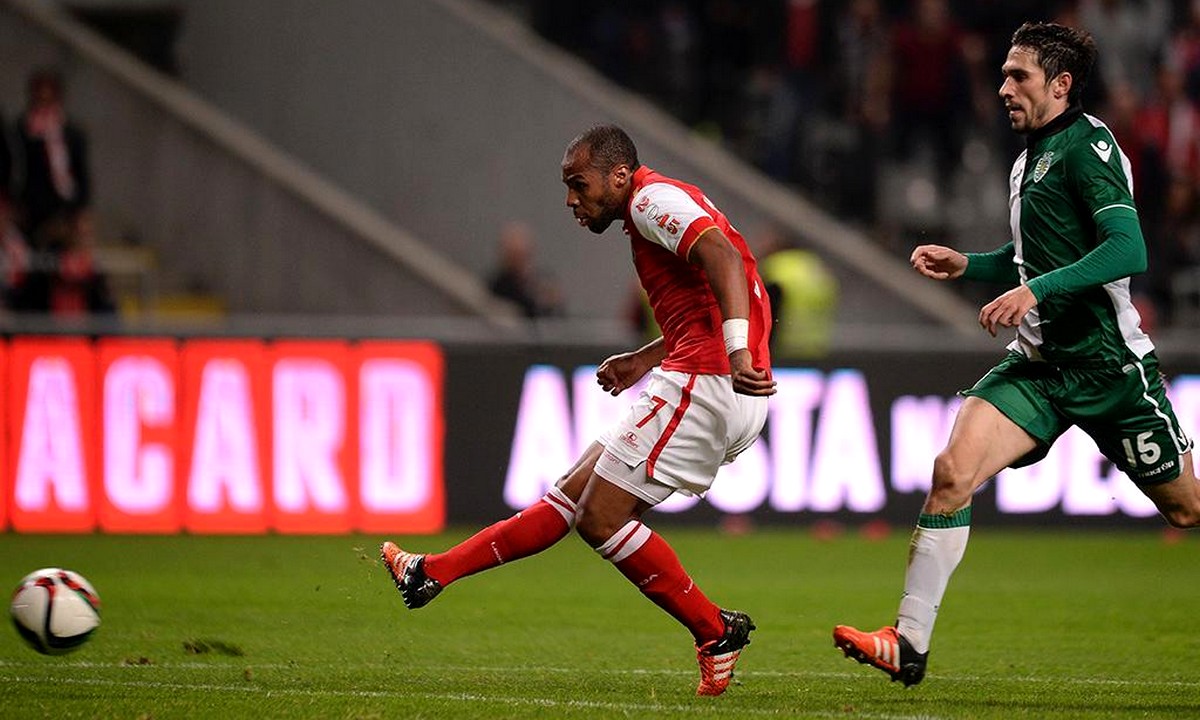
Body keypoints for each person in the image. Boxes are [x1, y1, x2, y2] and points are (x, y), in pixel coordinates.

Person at [833, 21, 1200, 687]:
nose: (1003, 87)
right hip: (1038, 367)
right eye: (1004, 74)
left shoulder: (1089, 147)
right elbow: (1036, 253)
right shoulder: (1029, 159)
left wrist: (1036, 290)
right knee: (951, 472)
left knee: (1187, 510)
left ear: (1060, 85)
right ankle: (908, 642)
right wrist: (971, 263)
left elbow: (1128, 250)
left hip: (1109, 369)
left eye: (1018, 75)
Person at [381, 124, 776, 696]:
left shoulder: (650, 201)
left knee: (599, 518)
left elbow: (723, 257)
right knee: (572, 493)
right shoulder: (657, 203)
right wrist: (644, 358)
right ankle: (432, 573)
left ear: (619, 176)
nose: (571, 199)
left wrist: (736, 352)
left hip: (708, 381)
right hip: (704, 374)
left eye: (578, 184)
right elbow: (707, 298)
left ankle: (715, 632)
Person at [14, 69, 91, 239]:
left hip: (64, 209)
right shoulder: (21, 130)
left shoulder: (71, 132)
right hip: (30, 209)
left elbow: (81, 173)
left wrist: (80, 210)